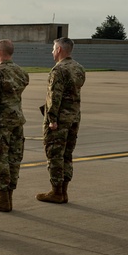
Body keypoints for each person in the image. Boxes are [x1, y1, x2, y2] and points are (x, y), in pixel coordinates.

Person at [0, 39, 29, 212]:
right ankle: (9, 197)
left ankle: (2, 199)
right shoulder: (21, 72)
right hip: (17, 121)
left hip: (1, 124)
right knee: (14, 159)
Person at [36, 37, 85, 204]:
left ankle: (56, 192)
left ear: (59, 50)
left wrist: (51, 119)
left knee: (55, 154)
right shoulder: (78, 68)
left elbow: (53, 97)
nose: (52, 52)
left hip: (59, 119)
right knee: (67, 155)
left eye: (53, 48)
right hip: (74, 117)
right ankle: (64, 191)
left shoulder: (58, 70)